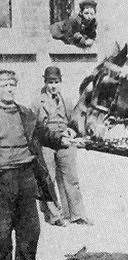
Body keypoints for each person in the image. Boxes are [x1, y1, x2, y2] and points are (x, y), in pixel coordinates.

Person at [0, 69, 71, 260]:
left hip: (26, 176)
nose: (9, 88)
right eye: (3, 84)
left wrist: (62, 139)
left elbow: (44, 133)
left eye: (12, 84)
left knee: (30, 231)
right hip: (2, 178)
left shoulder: (25, 114)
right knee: (1, 233)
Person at [35, 66, 89, 226]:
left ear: (60, 82)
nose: (53, 85)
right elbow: (35, 126)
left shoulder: (67, 99)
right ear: (45, 82)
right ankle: (53, 216)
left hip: (65, 141)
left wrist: (72, 132)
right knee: (48, 179)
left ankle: (77, 214)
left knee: (71, 178)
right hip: (47, 142)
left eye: (56, 82)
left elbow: (74, 121)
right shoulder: (38, 101)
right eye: (50, 82)